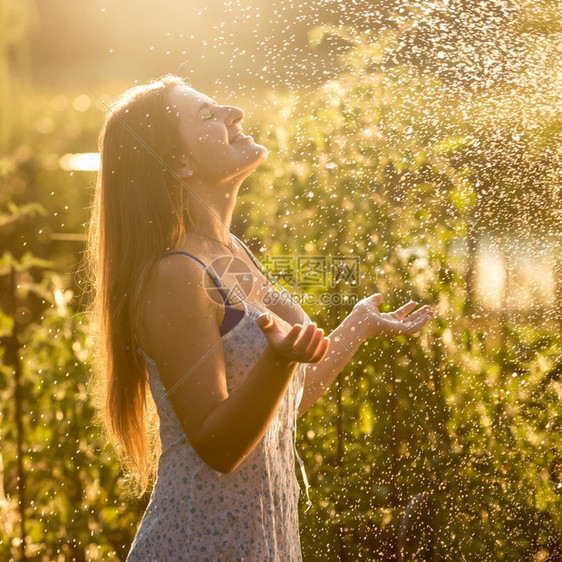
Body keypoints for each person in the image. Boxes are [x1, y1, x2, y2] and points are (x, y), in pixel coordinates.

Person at [86, 73, 434, 561]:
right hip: (199, 544)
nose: (235, 113)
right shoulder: (177, 275)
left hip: (261, 542)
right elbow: (218, 446)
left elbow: (286, 401)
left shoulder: (229, 253)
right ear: (180, 163)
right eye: (208, 115)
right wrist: (275, 361)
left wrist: (359, 323)